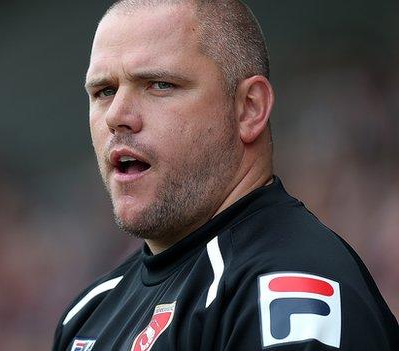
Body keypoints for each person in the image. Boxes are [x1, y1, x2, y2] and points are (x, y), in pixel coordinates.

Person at [52, 0, 399, 350]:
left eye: (159, 84)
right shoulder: (87, 318)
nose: (117, 115)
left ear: (249, 108)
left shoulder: (286, 291)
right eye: (103, 91)